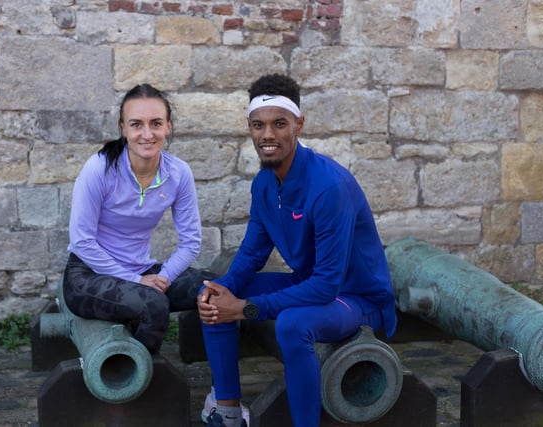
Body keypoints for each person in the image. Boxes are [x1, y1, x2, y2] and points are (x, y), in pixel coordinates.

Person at [197, 74, 397, 427]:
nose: (268, 135)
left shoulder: (329, 187)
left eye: (279, 124)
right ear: (250, 129)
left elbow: (326, 286)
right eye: (258, 125)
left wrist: (246, 308)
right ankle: (227, 412)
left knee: (292, 324)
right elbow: (251, 255)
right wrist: (223, 287)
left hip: (355, 300)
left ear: (298, 124)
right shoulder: (264, 183)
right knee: (213, 296)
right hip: (311, 287)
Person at [63, 83, 214, 354]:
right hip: (87, 276)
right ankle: (139, 380)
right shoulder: (99, 169)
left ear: (168, 126)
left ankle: (220, 387)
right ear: (123, 128)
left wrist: (163, 277)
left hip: (141, 271)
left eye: (156, 123)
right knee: (153, 304)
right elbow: (81, 242)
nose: (147, 134)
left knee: (215, 289)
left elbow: (191, 241)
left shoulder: (178, 173)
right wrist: (135, 280)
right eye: (136, 124)